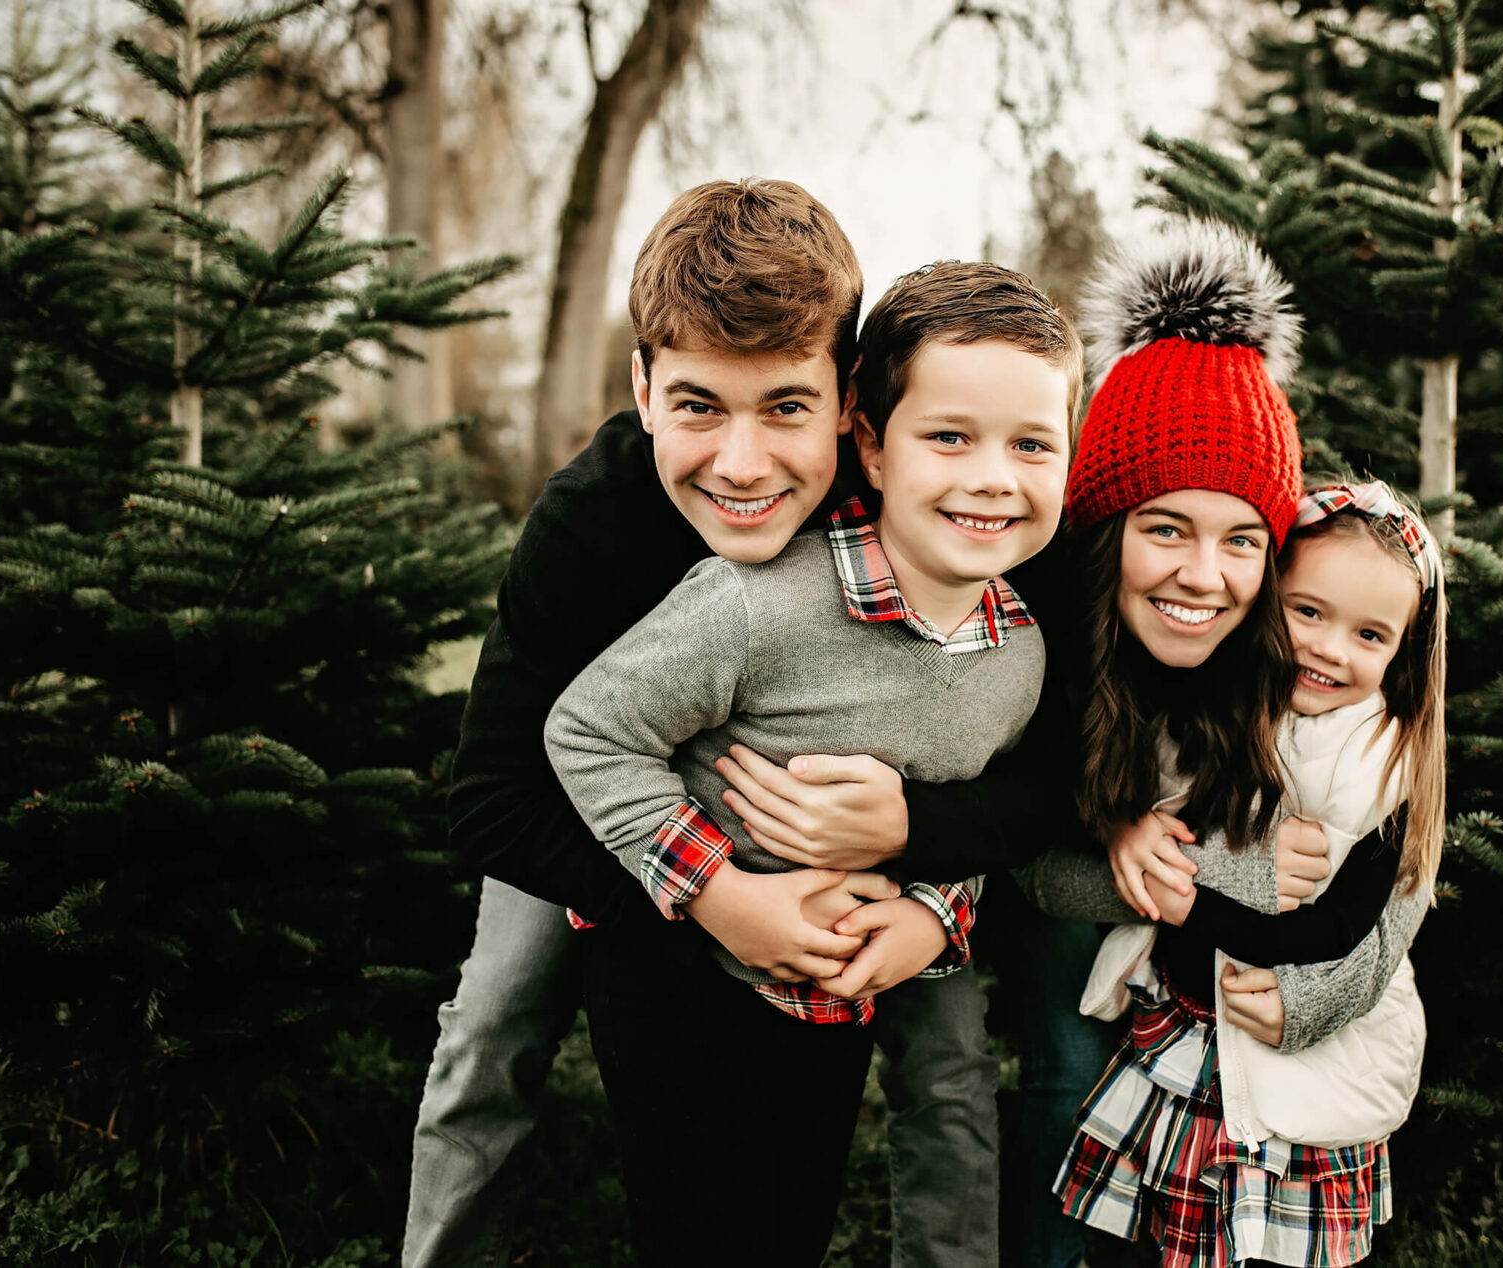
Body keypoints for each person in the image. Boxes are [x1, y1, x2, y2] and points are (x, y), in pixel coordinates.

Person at [405, 181, 1061, 1268]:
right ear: (643, 386)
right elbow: (494, 797)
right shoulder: (592, 522)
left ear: (847, 401)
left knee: (944, 1052)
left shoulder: (924, 489)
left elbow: (1033, 757)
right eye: (700, 405)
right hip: (585, 813)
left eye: (786, 408)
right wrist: (715, 899)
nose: (745, 464)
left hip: (870, 849)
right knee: (491, 1027)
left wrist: (913, 850)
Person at [1016, 222, 1440, 1268]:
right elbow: (1017, 845)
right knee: (1064, 1076)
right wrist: (1136, 842)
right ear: (1106, 526)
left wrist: (1311, 975)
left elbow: (1402, 870)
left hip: (1238, 1000)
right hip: (1089, 934)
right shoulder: (1045, 640)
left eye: (1241, 539)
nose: (1204, 574)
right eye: (1165, 528)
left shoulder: (1276, 666)